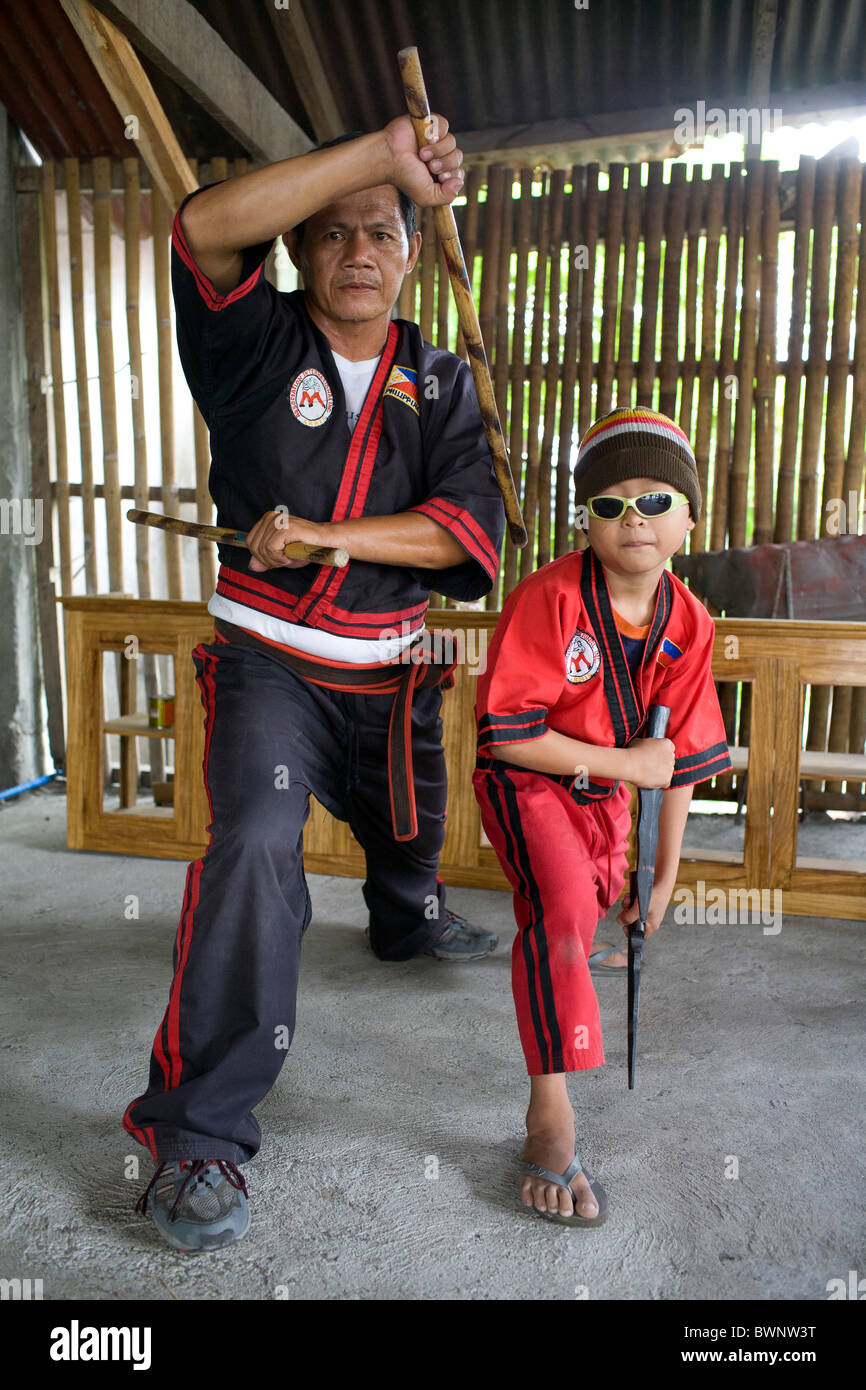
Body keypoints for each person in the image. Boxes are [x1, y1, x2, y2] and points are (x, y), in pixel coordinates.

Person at [122, 116, 505, 1252]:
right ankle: (195, 1136)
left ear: (408, 253)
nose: (354, 251)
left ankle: (406, 914)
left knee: (407, 829)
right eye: (329, 233)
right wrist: (382, 154)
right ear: (302, 253)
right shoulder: (252, 347)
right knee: (254, 845)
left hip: (389, 676)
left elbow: (464, 534)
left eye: (379, 232)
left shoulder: (438, 379)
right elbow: (199, 224)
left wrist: (334, 531)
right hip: (270, 667)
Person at [472, 406, 732, 1227]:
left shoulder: (689, 620)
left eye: (657, 501)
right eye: (613, 502)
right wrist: (627, 765)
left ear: (691, 518)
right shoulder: (548, 598)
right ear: (586, 517)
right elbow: (510, 736)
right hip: (530, 781)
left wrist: (663, 879)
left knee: (592, 913)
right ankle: (549, 1115)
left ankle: (579, 955)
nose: (635, 519)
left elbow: (682, 764)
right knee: (557, 907)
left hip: (608, 799)